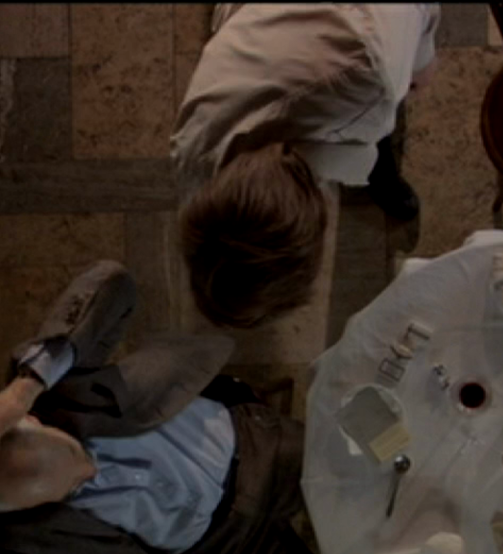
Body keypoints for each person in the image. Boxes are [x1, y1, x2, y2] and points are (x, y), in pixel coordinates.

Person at [0, 260, 389, 554]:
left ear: (32, 420)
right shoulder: (15, 535)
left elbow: (115, 283)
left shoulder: (48, 386)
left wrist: (25, 388)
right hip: (226, 549)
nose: (88, 472)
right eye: (69, 489)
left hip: (256, 454)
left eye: (73, 453)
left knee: (393, 466)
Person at [171, 3, 440, 329]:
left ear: (316, 222)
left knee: (379, 118)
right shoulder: (191, 155)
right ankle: (380, 170)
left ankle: (381, 173)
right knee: (373, 131)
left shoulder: (368, 67)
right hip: (259, 26)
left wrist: (421, 56)